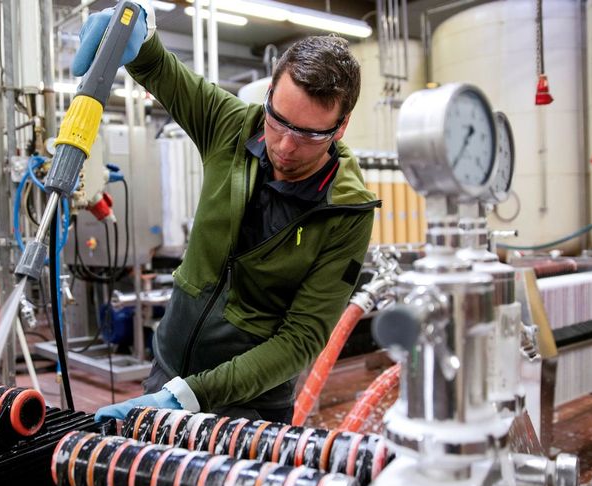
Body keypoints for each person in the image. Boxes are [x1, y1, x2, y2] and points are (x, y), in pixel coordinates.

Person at [79, 3, 377, 423]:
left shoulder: (348, 212)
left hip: (251, 406)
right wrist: (137, 35)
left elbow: (301, 339)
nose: (286, 146)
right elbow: (163, 71)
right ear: (270, 94)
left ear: (341, 126)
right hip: (166, 373)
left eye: (310, 134)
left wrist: (193, 395)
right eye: (279, 120)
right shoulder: (231, 126)